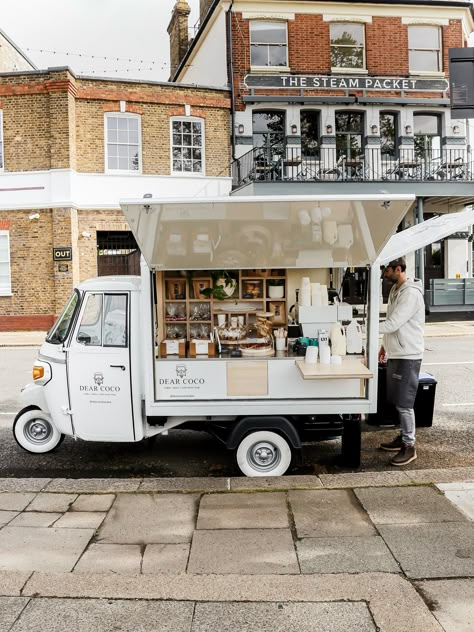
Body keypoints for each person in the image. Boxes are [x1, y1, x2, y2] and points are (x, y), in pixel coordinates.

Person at [378, 257, 425, 466]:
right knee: (397, 400)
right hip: (397, 352)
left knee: (405, 403)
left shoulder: (411, 294)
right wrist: (383, 346)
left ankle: (409, 445)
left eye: (387, 271)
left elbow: (394, 322)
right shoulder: (395, 290)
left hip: (408, 354)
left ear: (398, 269)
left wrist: (368, 328)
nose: (385, 275)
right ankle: (403, 437)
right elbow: (392, 321)